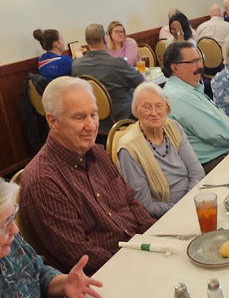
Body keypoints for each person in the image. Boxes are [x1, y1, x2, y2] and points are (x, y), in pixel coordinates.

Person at [21, 77, 155, 275]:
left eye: (93, 114)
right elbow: (80, 255)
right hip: (106, 276)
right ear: (52, 121)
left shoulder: (96, 152)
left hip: (138, 252)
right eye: (79, 118)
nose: (92, 126)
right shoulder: (43, 182)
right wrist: (140, 266)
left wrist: (154, 239)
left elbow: (130, 202)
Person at [115, 83, 203, 218]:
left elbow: (197, 172)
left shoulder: (173, 127)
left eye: (159, 106)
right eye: (146, 107)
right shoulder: (129, 148)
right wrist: (184, 209)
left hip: (193, 201)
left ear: (167, 108)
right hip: (165, 216)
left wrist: (191, 202)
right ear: (136, 111)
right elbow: (145, 205)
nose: (154, 113)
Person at [162, 42, 229, 173]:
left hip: (220, 154)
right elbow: (223, 136)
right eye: (193, 62)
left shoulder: (186, 88)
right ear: (175, 67)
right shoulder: (182, 96)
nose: (199, 66)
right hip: (213, 163)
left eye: (199, 60)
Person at [71, 23, 144, 133]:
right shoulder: (118, 63)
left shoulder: (76, 65)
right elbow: (140, 81)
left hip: (92, 119)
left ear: (86, 41)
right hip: (122, 118)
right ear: (104, 39)